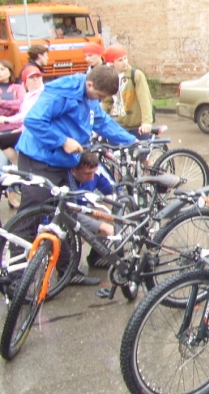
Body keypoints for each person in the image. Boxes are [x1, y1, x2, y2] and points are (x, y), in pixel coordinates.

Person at [16, 65, 136, 285]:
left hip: (61, 163)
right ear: (89, 84)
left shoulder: (90, 96)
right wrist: (63, 141)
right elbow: (33, 120)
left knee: (65, 215)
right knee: (31, 217)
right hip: (39, 159)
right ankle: (14, 279)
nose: (101, 100)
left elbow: (102, 122)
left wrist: (132, 141)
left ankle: (68, 272)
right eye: (100, 95)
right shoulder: (63, 93)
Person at [69, 152, 117, 270]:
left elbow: (115, 190)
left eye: (93, 173)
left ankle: (97, 255)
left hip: (82, 211)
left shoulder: (97, 171)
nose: (91, 178)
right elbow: (68, 212)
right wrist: (99, 225)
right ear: (73, 170)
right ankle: (69, 265)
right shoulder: (65, 177)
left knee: (109, 204)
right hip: (67, 217)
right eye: (87, 174)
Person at [101, 45, 154, 140]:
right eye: (120, 60)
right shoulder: (110, 78)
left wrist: (146, 122)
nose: (124, 62)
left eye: (125, 58)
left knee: (140, 149)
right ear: (112, 63)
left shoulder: (136, 75)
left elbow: (145, 100)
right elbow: (107, 102)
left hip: (136, 127)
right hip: (118, 126)